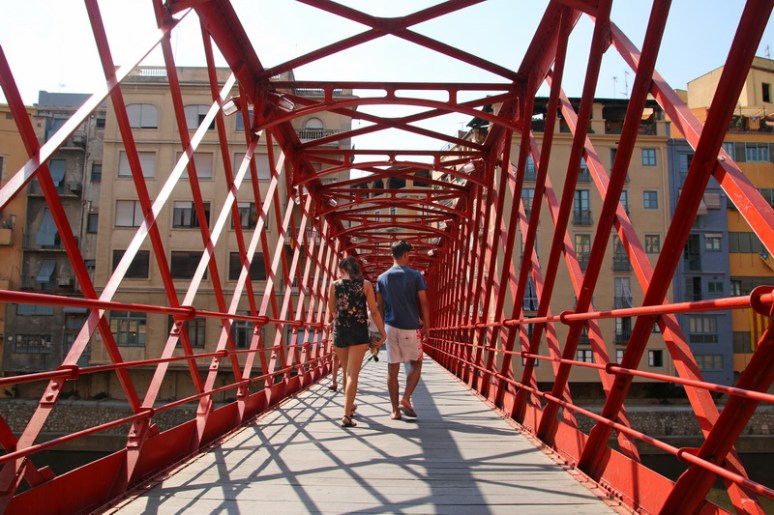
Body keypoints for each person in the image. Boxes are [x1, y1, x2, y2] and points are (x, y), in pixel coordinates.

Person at [327, 256, 386, 428]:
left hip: (340, 331)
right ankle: (346, 415)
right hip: (358, 331)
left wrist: (339, 318)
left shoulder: (334, 285)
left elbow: (331, 308)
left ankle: (350, 405)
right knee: (352, 374)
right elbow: (374, 311)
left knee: (346, 371)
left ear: (342, 269)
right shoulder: (365, 284)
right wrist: (382, 333)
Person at [376, 240, 430, 421]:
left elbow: (379, 306)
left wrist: (381, 331)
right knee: (416, 364)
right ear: (406, 254)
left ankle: (395, 411)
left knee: (392, 369)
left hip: (390, 327)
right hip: (410, 327)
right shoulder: (415, 276)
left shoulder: (382, 278)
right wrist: (427, 325)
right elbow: (423, 302)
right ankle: (405, 398)